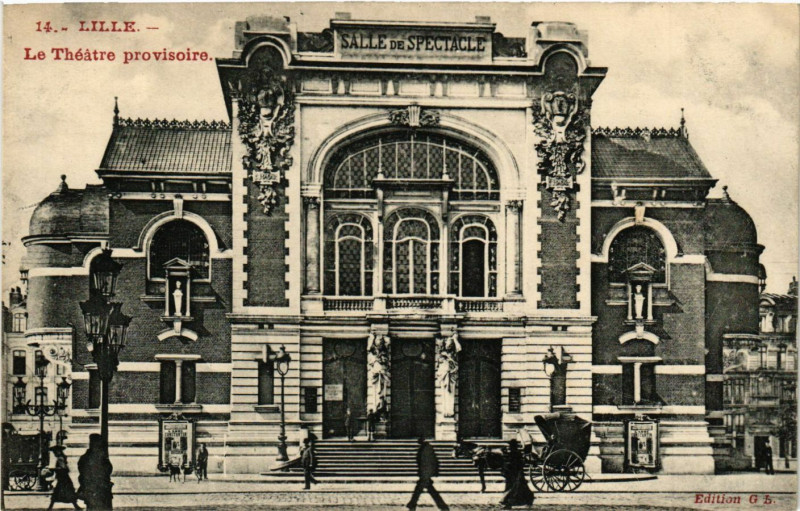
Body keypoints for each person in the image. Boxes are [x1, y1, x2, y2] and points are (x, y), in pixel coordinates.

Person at [406, 437, 448, 511]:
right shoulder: (424, 448)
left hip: (425, 473)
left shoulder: (426, 449)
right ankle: (443, 506)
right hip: (424, 473)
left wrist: (426, 474)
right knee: (429, 490)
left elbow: (427, 463)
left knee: (421, 490)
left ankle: (412, 505)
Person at [77, 434, 113, 511]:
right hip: (99, 491)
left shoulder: (85, 457)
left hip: (93, 491)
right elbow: (108, 469)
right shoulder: (100, 456)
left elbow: (81, 473)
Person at [499, 439, 534, 509]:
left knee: (513, 488)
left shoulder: (514, 453)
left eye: (510, 446)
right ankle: (528, 499)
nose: (509, 447)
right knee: (520, 488)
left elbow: (513, 462)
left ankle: (508, 503)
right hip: (515, 473)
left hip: (515, 473)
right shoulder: (516, 452)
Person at [48, 446, 81, 510]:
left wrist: (53, 469)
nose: (54, 453)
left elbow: (64, 468)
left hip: (62, 478)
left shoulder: (60, 458)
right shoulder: (62, 457)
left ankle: (50, 508)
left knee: (58, 493)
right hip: (64, 478)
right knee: (68, 492)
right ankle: (76, 506)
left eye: (55, 452)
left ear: (59, 451)